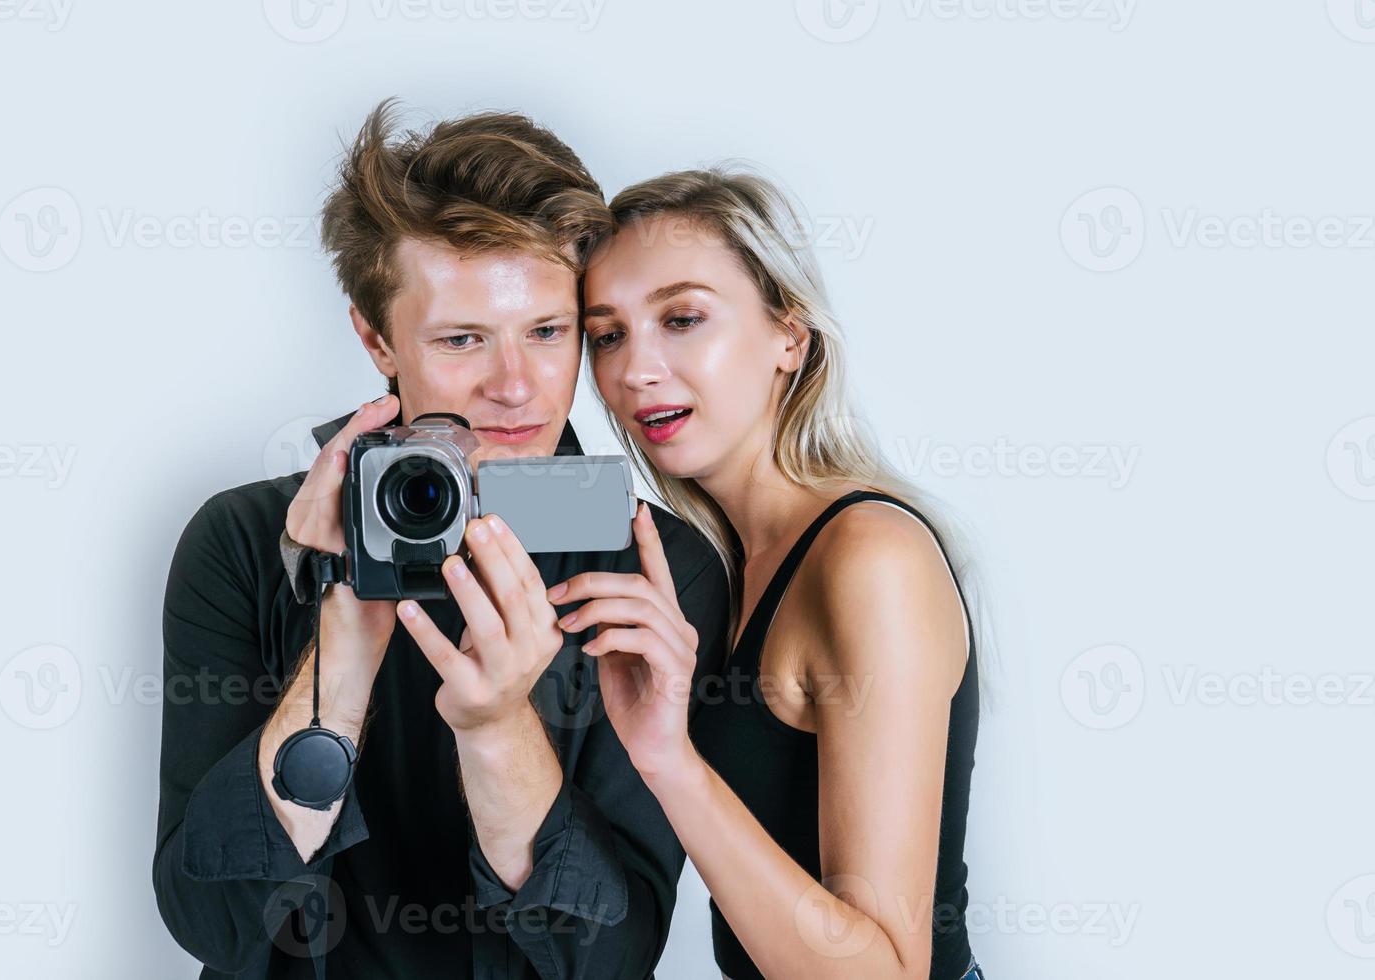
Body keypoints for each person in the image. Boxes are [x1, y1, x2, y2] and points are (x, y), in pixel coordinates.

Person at [151, 100, 730, 979]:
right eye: (463, 339)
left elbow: (610, 961)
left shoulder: (653, 567)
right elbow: (215, 921)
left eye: (548, 332)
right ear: (377, 338)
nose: (516, 386)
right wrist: (340, 649)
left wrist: (498, 729)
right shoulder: (241, 541)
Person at [553, 168, 986, 979]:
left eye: (682, 318)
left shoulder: (867, 558)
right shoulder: (709, 559)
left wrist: (669, 761)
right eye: (606, 335)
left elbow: (887, 972)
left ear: (790, 336)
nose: (637, 369)